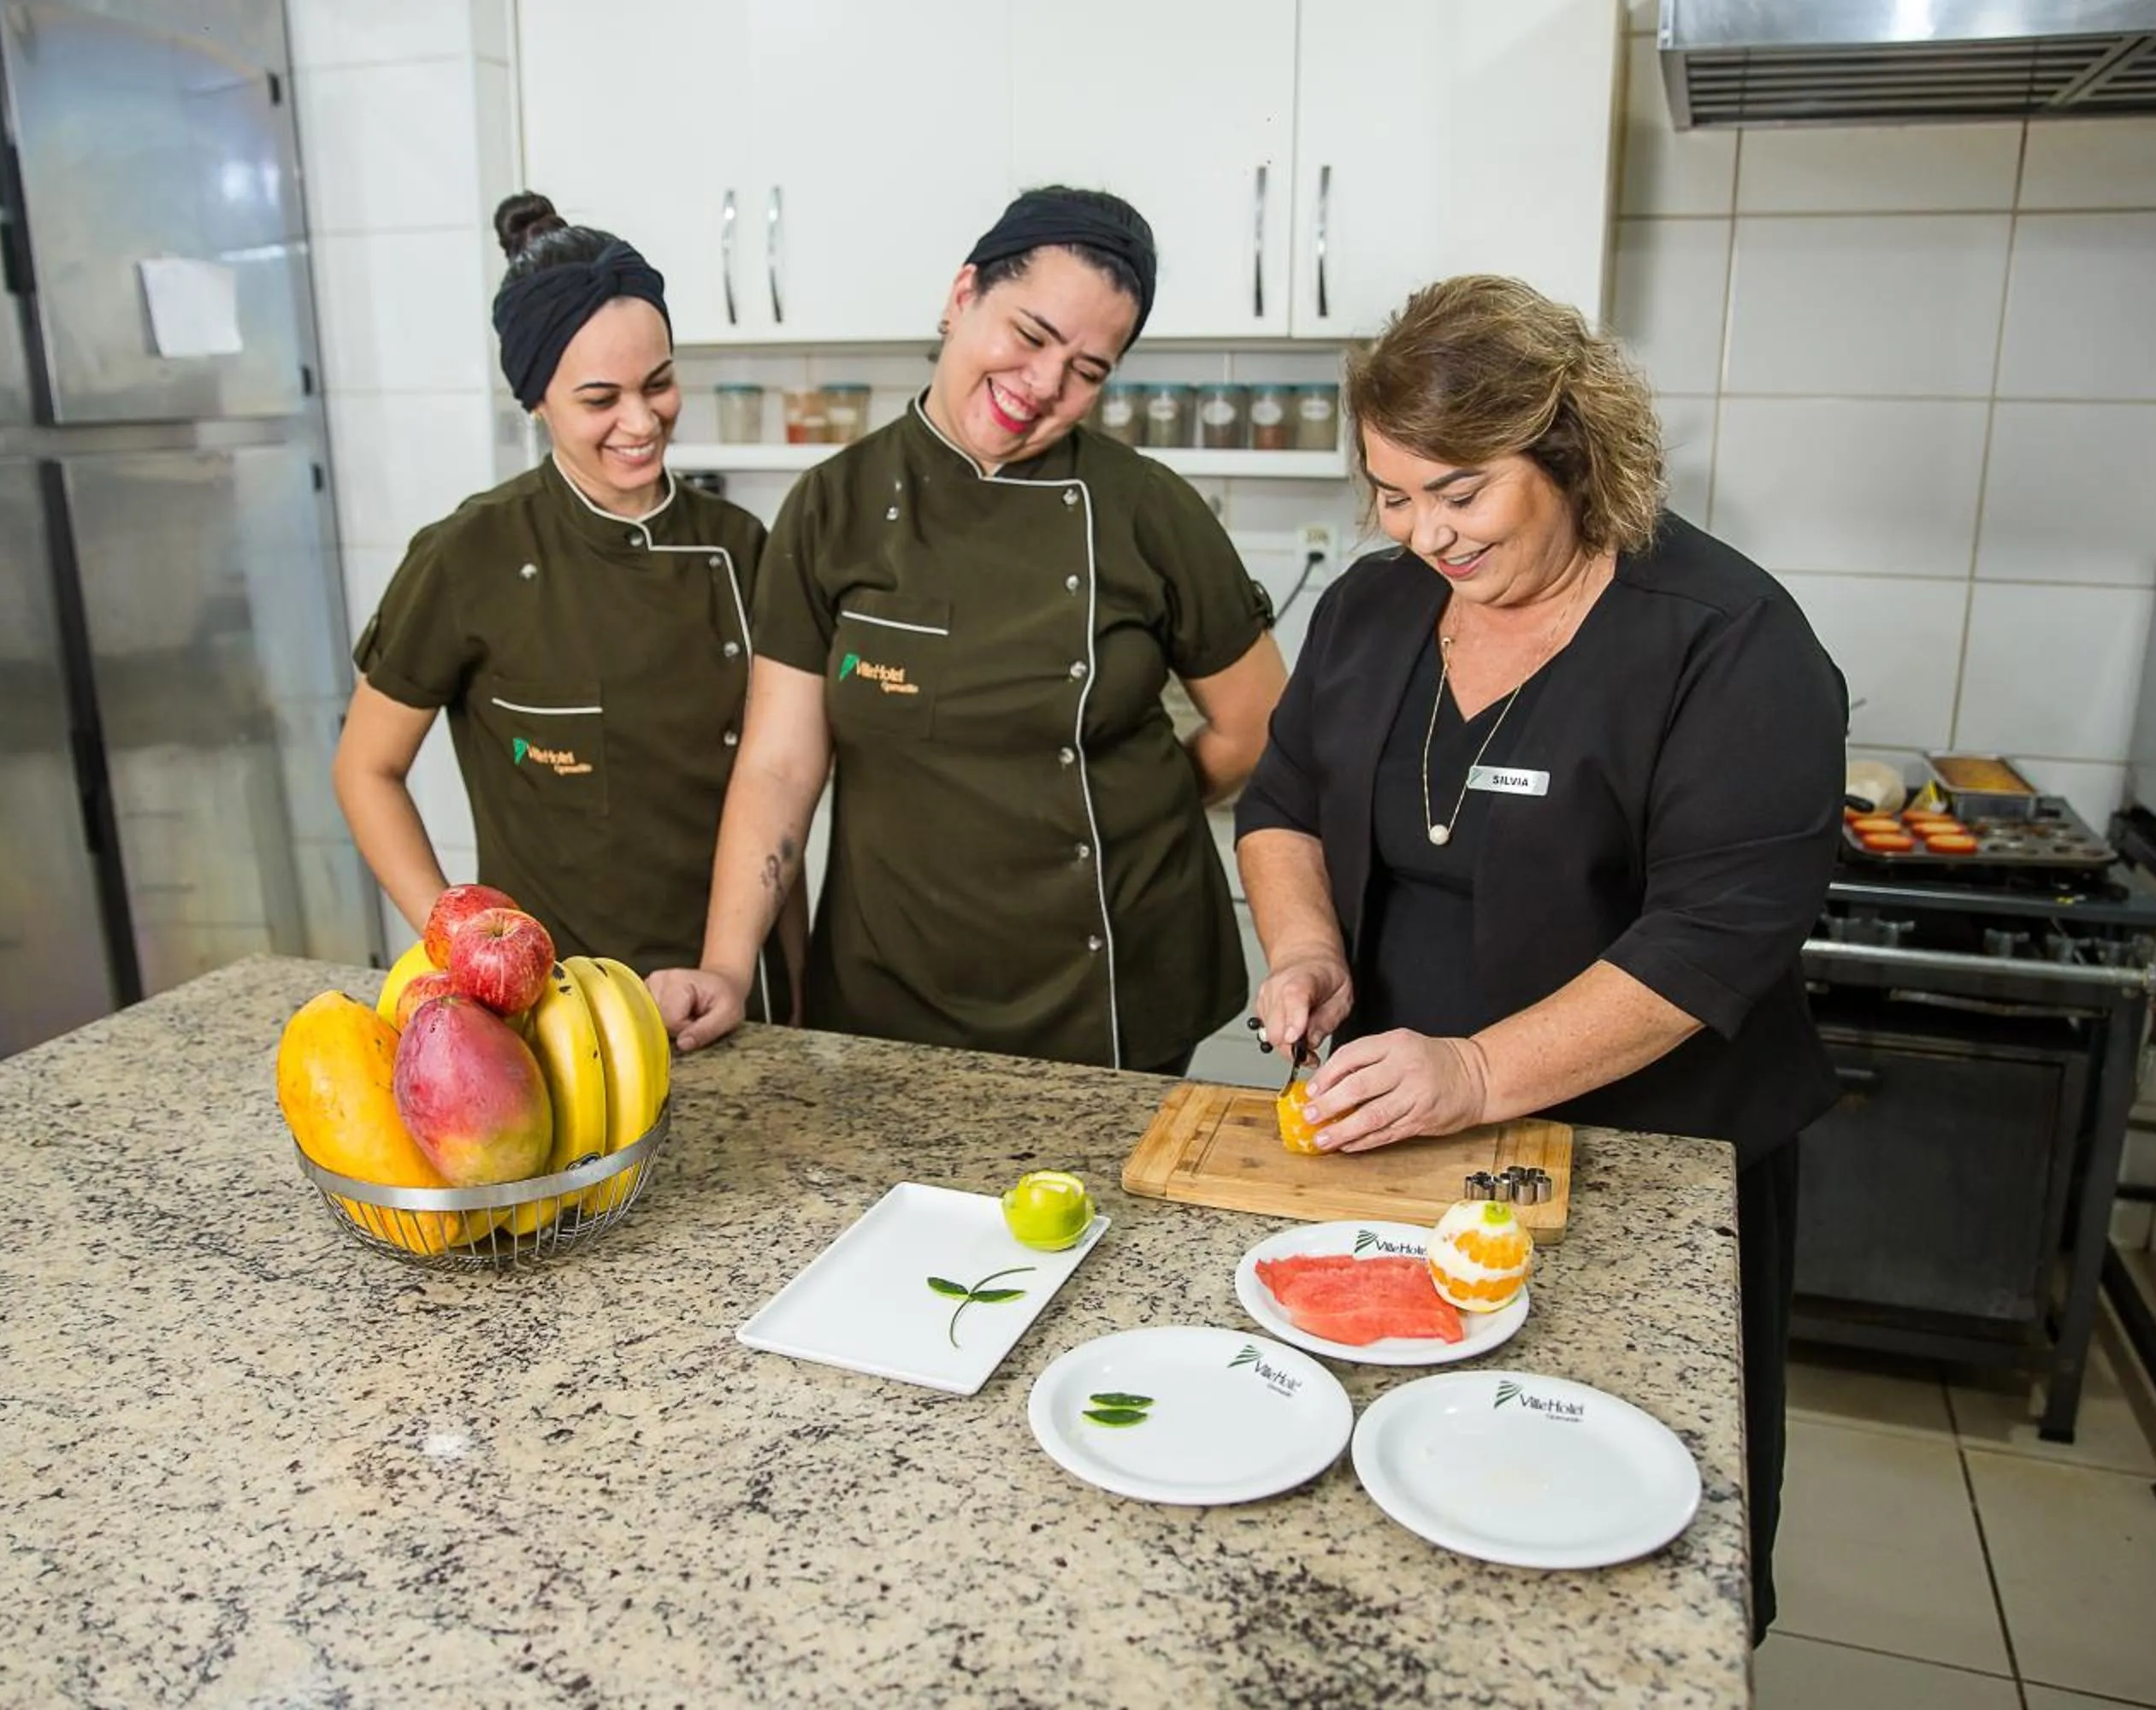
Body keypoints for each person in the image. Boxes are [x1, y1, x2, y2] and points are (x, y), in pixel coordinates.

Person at [1236, 275, 1843, 1642]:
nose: (1423, 533)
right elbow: (1279, 807)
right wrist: (1309, 943)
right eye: (1392, 495)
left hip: (1651, 1157)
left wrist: (1478, 1069)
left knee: (1609, 1539)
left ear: (1569, 452)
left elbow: (1712, 939)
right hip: (1405, 1142)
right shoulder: (1375, 611)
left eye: (1461, 492)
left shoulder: (1728, 641)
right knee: (1401, 1511)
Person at [650, 186, 1287, 1073]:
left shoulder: (1149, 509)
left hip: (1109, 981)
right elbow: (780, 762)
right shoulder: (830, 508)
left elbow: (1259, 722)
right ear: (962, 298)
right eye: (1029, 336)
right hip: (892, 979)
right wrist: (725, 964)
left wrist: (1133, 812)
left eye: (1089, 369)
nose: (1044, 385)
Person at [333, 192, 793, 1012]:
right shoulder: (467, 555)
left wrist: (753, 973)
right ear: (537, 399)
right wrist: (459, 940)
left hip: (736, 992)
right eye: (599, 399)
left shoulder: (741, 547)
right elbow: (366, 769)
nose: (642, 421)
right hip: (554, 1008)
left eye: (659, 384)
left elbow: (779, 776)